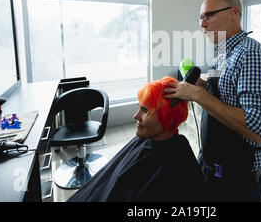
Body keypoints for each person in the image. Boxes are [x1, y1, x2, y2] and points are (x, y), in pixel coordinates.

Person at [164, 0, 261, 202]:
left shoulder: (252, 55)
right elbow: (226, 91)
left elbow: (257, 130)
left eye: (209, 15)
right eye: (200, 17)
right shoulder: (223, 53)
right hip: (212, 165)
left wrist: (198, 94)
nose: (202, 24)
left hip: (238, 180)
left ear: (233, 13)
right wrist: (202, 85)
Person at [67, 76, 205, 202]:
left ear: (167, 119)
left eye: (145, 111)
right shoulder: (144, 140)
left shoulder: (177, 168)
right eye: (139, 108)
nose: (135, 116)